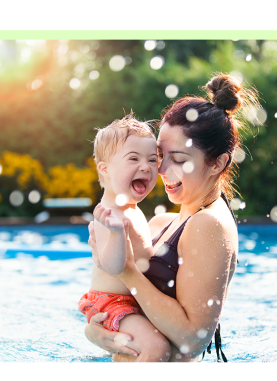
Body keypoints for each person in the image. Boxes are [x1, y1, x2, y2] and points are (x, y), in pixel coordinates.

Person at [85, 74, 259, 362]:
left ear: (218, 163)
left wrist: (126, 270)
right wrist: (97, 332)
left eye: (177, 159)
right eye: (158, 155)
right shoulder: (162, 223)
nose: (161, 169)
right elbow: (133, 308)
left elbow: (193, 338)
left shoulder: (208, 224)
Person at [77, 113, 171, 362]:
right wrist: (117, 233)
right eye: (134, 159)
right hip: (112, 304)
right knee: (157, 348)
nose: (146, 166)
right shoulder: (108, 214)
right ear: (105, 168)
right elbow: (114, 266)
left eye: (153, 160)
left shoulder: (131, 208)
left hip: (132, 300)